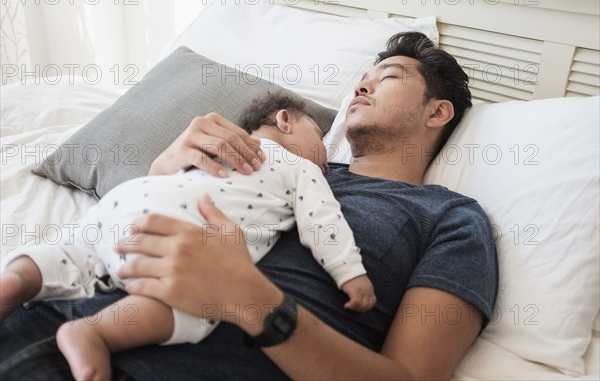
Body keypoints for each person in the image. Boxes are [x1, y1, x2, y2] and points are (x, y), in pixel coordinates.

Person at [0, 32, 497, 380]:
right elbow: (135, 220)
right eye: (361, 77)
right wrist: (165, 167)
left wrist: (253, 301)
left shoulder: (451, 218)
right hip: (36, 313)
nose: (360, 87)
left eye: (387, 77)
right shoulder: (272, 158)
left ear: (437, 111)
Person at [0, 92, 376, 380]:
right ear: (285, 120)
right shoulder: (298, 167)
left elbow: (164, 182)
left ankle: (17, 279)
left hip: (126, 200)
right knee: (200, 303)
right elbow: (322, 221)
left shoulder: (210, 151)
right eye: (320, 139)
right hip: (178, 225)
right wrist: (350, 272)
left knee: (72, 249)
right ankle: (96, 334)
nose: (327, 162)